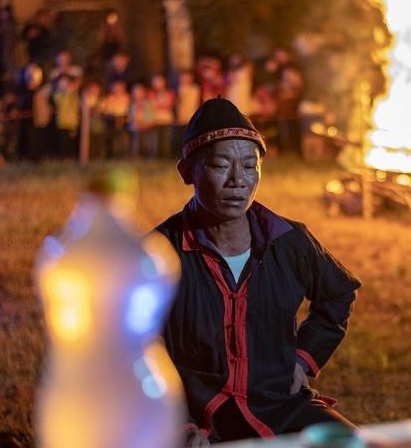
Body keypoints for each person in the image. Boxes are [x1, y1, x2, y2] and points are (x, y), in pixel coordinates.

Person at [154, 97, 360, 446]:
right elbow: (137, 345)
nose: (238, 180)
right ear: (187, 172)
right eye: (221, 165)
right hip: (198, 417)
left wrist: (302, 359)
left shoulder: (288, 241)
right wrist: (179, 423)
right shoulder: (160, 253)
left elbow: (338, 292)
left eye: (250, 166)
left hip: (279, 406)